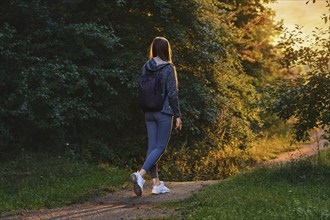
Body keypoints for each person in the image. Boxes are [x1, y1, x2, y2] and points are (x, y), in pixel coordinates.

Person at [131, 37, 182, 196]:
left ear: (153, 48)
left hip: (148, 111)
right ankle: (141, 175)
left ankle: (157, 184)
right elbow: (172, 94)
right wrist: (178, 115)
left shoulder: (147, 66)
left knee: (152, 148)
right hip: (164, 111)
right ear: (166, 49)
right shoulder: (168, 67)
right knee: (160, 147)